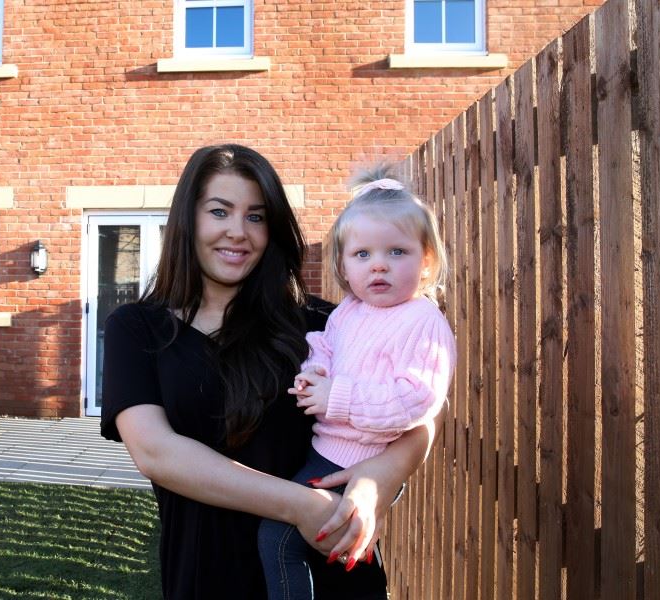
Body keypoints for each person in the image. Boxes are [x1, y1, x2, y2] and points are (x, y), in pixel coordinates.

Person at [100, 145, 441, 599]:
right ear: (188, 219)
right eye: (220, 211)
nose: (238, 232)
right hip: (208, 577)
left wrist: (378, 480)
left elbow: (420, 415)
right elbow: (156, 453)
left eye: (256, 217)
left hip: (329, 568)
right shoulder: (138, 329)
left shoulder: (326, 325)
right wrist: (301, 505)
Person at [257, 167, 456, 599]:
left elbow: (417, 398)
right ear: (344, 267)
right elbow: (327, 344)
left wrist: (337, 396)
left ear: (426, 260)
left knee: (278, 538)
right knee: (326, 544)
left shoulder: (422, 320)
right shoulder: (351, 310)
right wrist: (317, 371)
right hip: (325, 449)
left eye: (397, 252)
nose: (379, 264)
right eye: (362, 254)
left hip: (355, 460)